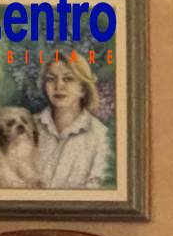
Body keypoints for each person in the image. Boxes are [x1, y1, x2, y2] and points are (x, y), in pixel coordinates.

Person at [30, 49, 114, 189]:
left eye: (68, 79)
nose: (58, 86)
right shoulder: (28, 126)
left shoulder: (100, 135)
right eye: (51, 79)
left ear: (83, 89)